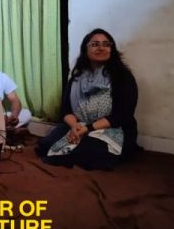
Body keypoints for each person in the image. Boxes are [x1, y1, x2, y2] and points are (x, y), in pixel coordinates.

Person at [35, 28, 140, 170]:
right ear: (86, 49)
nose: (101, 48)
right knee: (45, 146)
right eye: (95, 44)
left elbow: (122, 115)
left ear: (111, 49)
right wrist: (74, 126)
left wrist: (87, 128)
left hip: (112, 129)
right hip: (79, 125)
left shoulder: (122, 77)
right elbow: (66, 110)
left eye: (106, 44)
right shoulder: (77, 78)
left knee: (83, 151)